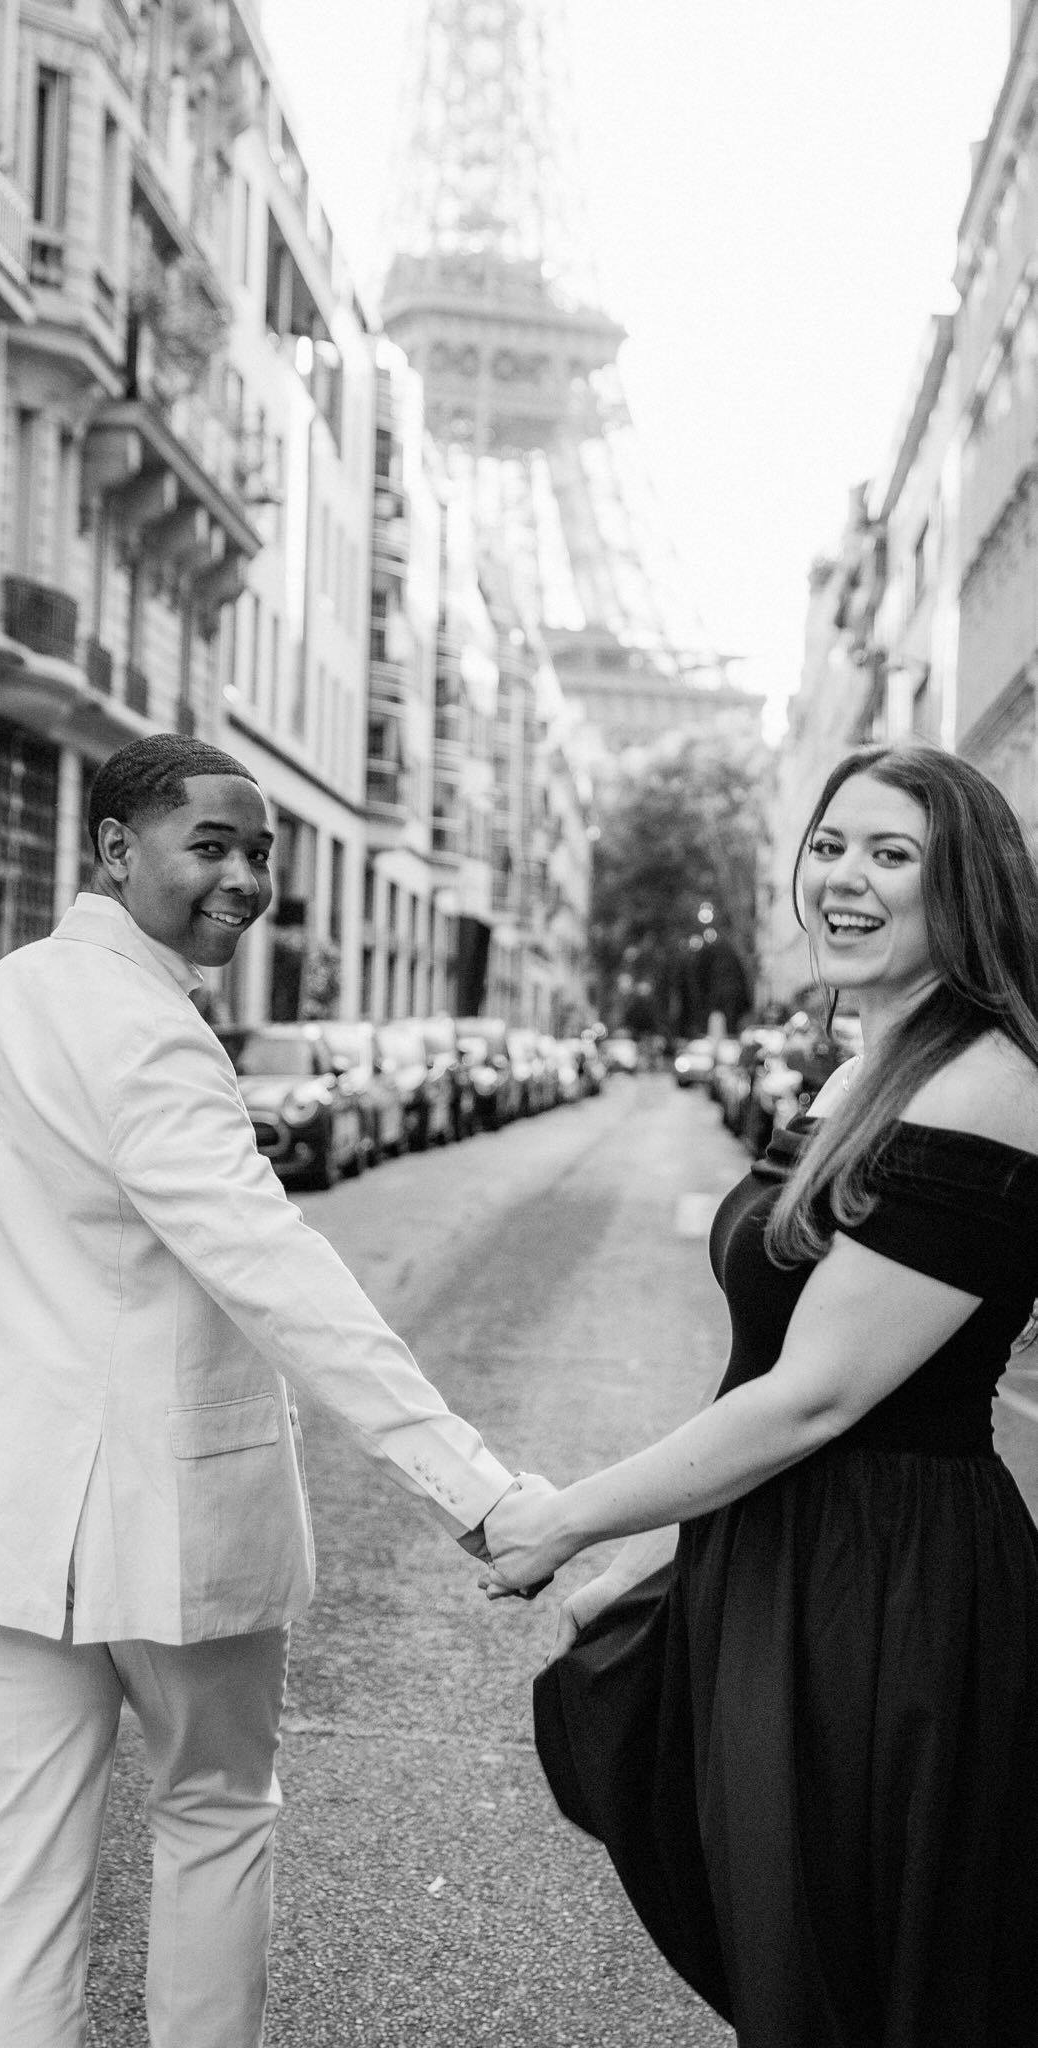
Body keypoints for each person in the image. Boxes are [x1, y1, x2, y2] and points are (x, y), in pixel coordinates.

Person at [0, 733, 545, 2048]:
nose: (244, 878)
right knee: (213, 1823)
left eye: (258, 851)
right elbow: (272, 1266)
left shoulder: (10, 996)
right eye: (212, 845)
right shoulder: (151, 1030)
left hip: (2, 1521)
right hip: (167, 1525)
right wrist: (470, 1489)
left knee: (17, 1885)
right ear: (112, 848)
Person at [484, 743, 1038, 2048]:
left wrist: (569, 1519)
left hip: (882, 1593)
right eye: (831, 846)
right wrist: (675, 1563)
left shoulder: (986, 1088)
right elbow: (773, 1378)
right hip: (798, 1559)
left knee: (849, 1980)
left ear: (965, 890)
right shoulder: (866, 1070)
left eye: (890, 855)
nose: (842, 879)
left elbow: (812, 1400)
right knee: (795, 1956)